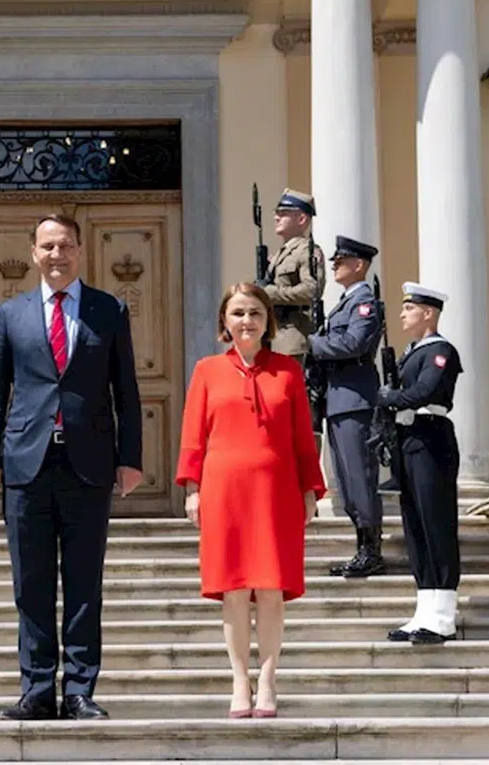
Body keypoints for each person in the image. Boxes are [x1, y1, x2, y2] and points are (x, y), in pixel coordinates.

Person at [0, 213, 143, 722]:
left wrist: (130, 459)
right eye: (47, 246)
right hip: (26, 464)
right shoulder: (11, 314)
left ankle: (79, 689)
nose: (57, 255)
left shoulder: (108, 309)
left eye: (65, 245)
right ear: (33, 253)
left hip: (88, 463)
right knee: (31, 582)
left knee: (83, 581)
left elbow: (127, 391)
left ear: (80, 251)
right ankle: (35, 689)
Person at [175, 282, 326, 719]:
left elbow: (302, 436)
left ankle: (269, 680)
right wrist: (193, 488)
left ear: (268, 321)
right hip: (224, 490)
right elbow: (192, 434)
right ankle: (240, 679)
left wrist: (309, 490)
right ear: (225, 320)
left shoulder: (288, 372)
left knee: (271, 590)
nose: (247, 321)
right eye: (238, 312)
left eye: (255, 313)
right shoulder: (206, 370)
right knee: (235, 591)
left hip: (276, 489)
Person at [375, 282, 463, 645]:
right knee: (416, 528)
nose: (402, 314)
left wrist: (389, 397)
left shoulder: (440, 351)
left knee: (436, 525)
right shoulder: (411, 353)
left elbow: (425, 391)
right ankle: (425, 612)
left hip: (431, 437)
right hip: (410, 440)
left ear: (428, 313)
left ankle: (443, 617)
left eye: (409, 308)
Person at [307, 236, 384, 578]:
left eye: (342, 261)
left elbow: (354, 343)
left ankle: (371, 550)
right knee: (347, 480)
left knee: (359, 478)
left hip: (355, 400)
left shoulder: (365, 302)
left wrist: (311, 342)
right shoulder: (344, 302)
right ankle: (362, 548)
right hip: (339, 400)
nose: (335, 265)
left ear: (359, 265)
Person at [261, 190, 325, 366]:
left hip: (292, 338)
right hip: (273, 334)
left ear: (302, 219)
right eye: (277, 213)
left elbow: (312, 290)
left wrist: (270, 293)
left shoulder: (307, 251)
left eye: (283, 213)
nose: (276, 218)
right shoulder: (280, 254)